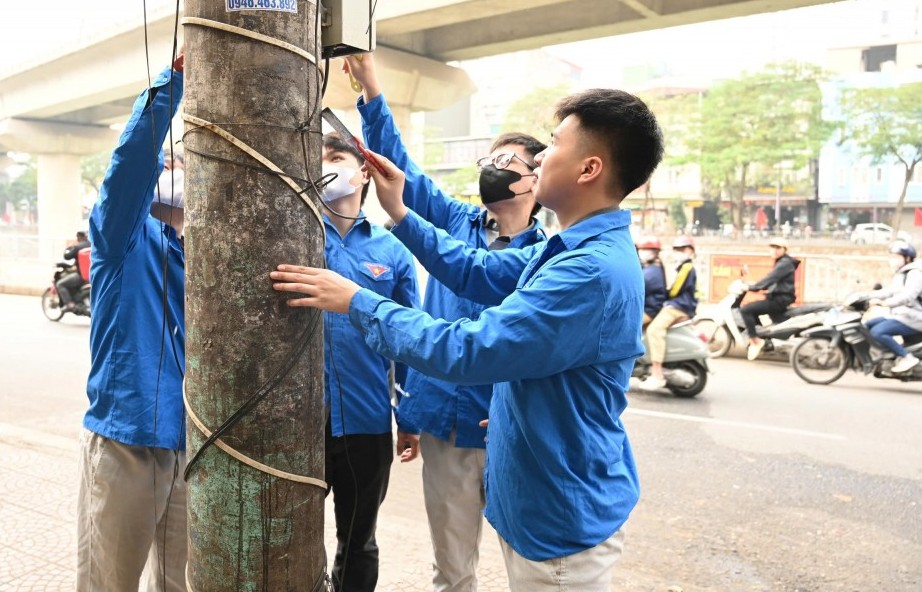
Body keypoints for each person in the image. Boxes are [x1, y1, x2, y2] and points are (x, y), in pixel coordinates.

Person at [271, 87, 664, 591]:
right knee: (454, 569)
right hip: (535, 482)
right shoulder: (568, 250)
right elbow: (473, 270)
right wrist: (403, 212)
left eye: (554, 144)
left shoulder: (586, 270)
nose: (540, 157)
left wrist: (357, 301)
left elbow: (468, 349)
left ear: (589, 169)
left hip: (558, 515)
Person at [342, 53, 547, 592]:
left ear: (536, 179)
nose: (494, 167)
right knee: (452, 568)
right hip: (446, 426)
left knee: (525, 567)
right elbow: (399, 170)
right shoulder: (456, 221)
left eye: (508, 160)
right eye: (490, 157)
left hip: (507, 428)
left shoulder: (548, 259)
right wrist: (371, 91)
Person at [77, 54, 187, 591]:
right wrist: (171, 87)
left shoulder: (206, 255)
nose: (174, 170)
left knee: (183, 582)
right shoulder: (119, 238)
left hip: (192, 446)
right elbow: (127, 170)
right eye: (168, 162)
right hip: (127, 439)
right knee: (109, 582)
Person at [319, 132, 421, 592]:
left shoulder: (391, 251)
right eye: (318, 159)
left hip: (366, 422)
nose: (326, 166)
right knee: (287, 532)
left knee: (358, 541)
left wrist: (410, 417)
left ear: (363, 171)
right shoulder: (289, 236)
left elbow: (410, 340)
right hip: (299, 422)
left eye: (336, 158)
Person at [637, 236, 698, 391]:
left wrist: (667, 296)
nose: (678, 253)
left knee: (654, 330)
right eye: (676, 250)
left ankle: (657, 374)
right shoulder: (676, 267)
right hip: (678, 304)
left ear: (690, 251)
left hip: (678, 306)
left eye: (682, 250)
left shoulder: (686, 267)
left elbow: (676, 289)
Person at [865, 240, 922, 373]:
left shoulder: (915, 273)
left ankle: (906, 357)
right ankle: (889, 355)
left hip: (915, 317)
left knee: (878, 332)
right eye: (892, 256)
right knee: (869, 324)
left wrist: (885, 303)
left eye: (897, 257)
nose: (893, 260)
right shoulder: (903, 273)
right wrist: (867, 295)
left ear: (907, 258)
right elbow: (891, 290)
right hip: (903, 315)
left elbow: (908, 296)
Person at [741, 237, 800, 360]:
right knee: (756, 310)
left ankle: (756, 341)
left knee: (746, 310)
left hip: (780, 300)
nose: (774, 250)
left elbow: (770, 278)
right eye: (772, 247)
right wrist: (759, 287)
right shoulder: (782, 262)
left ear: (785, 250)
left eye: (778, 248)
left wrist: (752, 287)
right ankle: (764, 338)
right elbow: (774, 280)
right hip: (780, 297)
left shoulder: (784, 263)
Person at [57, 230, 91, 311]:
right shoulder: (91, 245)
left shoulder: (78, 246)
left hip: (81, 276)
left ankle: (69, 304)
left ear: (79, 237)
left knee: (60, 284)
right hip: (91, 275)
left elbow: (67, 256)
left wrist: (70, 247)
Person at [637, 235, 666, 326]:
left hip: (650, 310)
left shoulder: (651, 272)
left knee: (626, 326)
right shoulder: (652, 267)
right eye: (641, 250)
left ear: (654, 252)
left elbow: (636, 288)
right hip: (649, 307)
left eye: (645, 250)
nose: (642, 253)